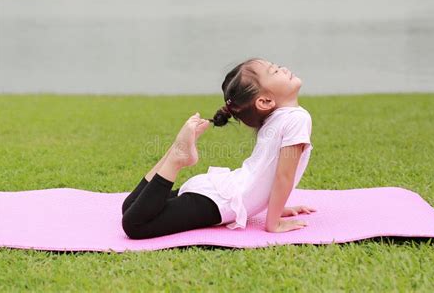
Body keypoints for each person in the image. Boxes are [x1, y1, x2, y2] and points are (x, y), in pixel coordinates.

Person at [121, 57, 316, 239]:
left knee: (131, 207)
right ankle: (176, 158)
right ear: (264, 102)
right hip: (222, 202)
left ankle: (175, 151)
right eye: (274, 71)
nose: (282, 68)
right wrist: (273, 223)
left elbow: (267, 172)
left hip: (220, 192)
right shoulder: (297, 118)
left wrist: (276, 207)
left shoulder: (279, 118)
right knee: (136, 224)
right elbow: (283, 176)